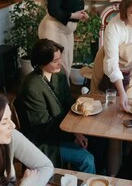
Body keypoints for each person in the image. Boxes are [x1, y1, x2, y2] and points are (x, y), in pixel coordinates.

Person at [15, 39, 105, 174]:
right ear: (43, 61)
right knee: (86, 159)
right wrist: (73, 136)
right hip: (44, 141)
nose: (60, 63)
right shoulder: (32, 86)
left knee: (100, 139)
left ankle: (98, 178)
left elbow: (69, 104)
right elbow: (43, 126)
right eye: (55, 61)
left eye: (60, 59)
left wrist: (78, 131)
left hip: (63, 130)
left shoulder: (59, 74)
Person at [38, 0, 88, 79]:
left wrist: (81, 14)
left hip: (66, 29)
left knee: (67, 62)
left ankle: (63, 93)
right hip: (54, 27)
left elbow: (71, 6)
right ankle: (53, 94)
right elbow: (53, 9)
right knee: (55, 63)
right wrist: (73, 15)